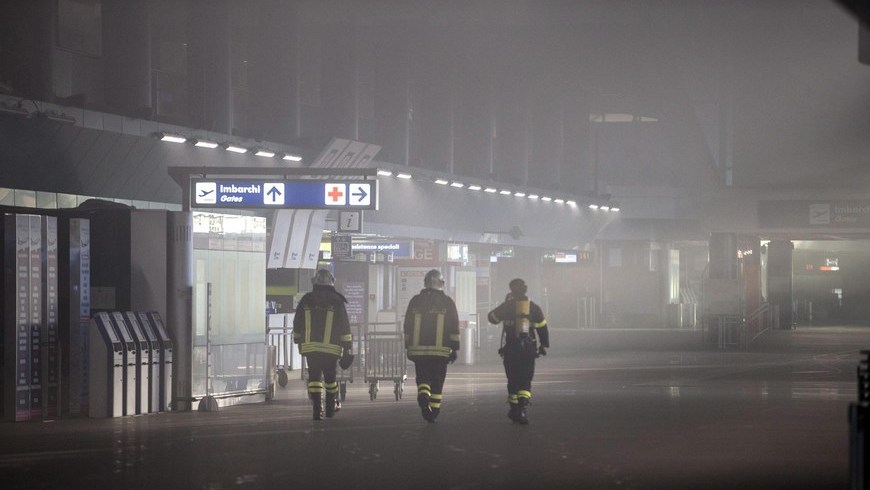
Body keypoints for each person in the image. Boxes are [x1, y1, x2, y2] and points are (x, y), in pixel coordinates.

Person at [293, 269, 354, 421]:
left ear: (315, 281)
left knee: (314, 378)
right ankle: (330, 408)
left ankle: (317, 409)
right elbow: (344, 325)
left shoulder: (306, 299)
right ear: (331, 281)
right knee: (330, 379)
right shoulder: (337, 301)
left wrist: (298, 340)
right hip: (331, 349)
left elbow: (297, 322)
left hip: (311, 348)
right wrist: (347, 346)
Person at [487, 278, 549, 425]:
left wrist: (506, 303)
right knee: (525, 379)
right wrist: (543, 345)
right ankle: (522, 409)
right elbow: (542, 327)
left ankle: (514, 409)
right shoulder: (533, 307)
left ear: (511, 290)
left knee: (512, 379)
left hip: (511, 349)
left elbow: (492, 318)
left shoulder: (507, 306)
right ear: (525, 289)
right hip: (528, 349)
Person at [403, 269, 460, 423]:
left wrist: (408, 345)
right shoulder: (447, 302)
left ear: (426, 283)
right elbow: (454, 326)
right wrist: (454, 348)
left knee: (423, 377)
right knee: (437, 380)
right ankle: (434, 411)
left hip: (418, 351)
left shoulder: (415, 301)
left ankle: (423, 395)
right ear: (440, 283)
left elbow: (407, 325)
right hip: (440, 352)